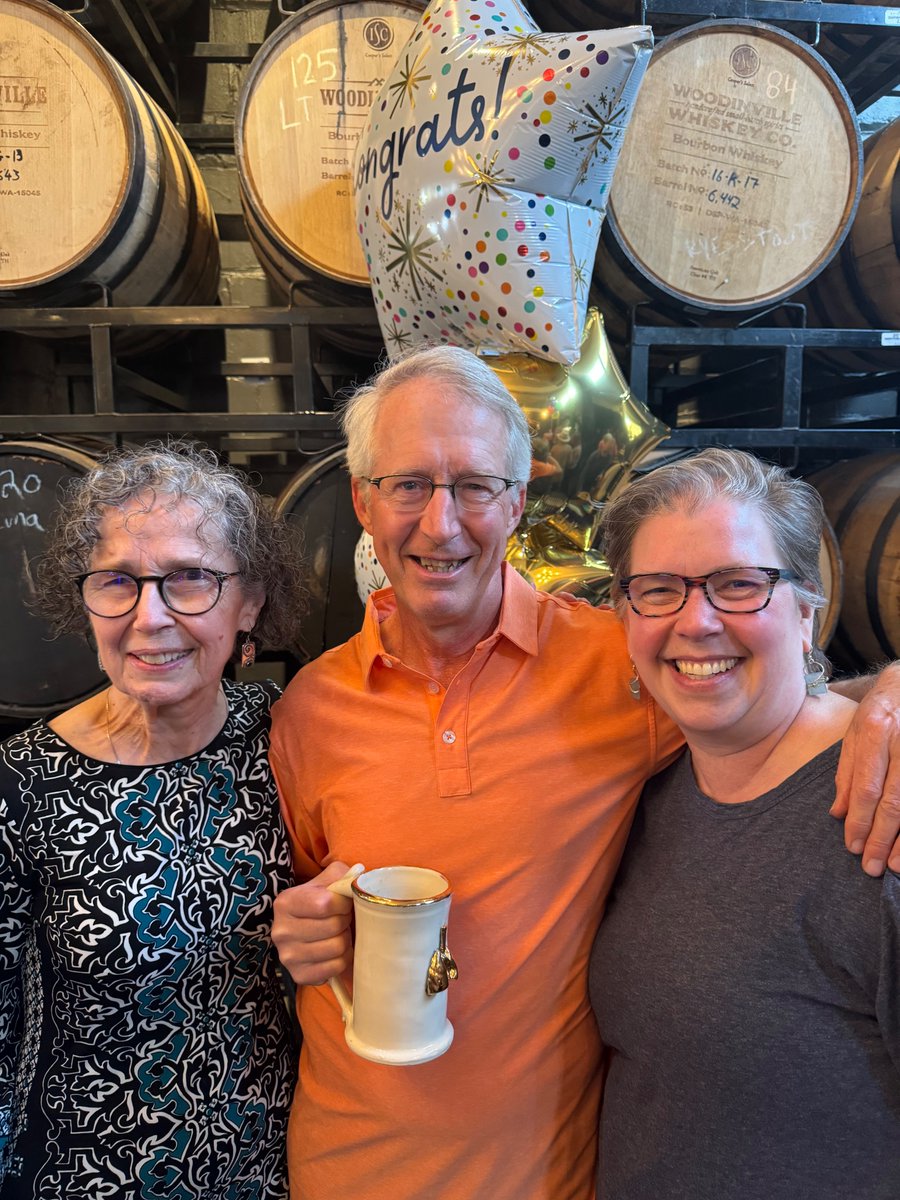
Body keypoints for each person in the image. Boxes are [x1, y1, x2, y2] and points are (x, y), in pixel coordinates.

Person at [269, 346, 900, 1200]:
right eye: (408, 484)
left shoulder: (626, 663)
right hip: (345, 1171)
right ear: (364, 503)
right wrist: (306, 931)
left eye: (476, 486)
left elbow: (764, 697)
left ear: (518, 503)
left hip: (548, 1179)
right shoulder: (310, 710)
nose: (441, 523)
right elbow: (317, 894)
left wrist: (886, 698)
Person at [590, 448, 900, 1198]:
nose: (696, 622)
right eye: (658, 590)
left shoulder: (882, 818)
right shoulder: (651, 795)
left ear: (805, 609)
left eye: (738, 585)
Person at [0, 441, 306, 1200]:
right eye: (118, 582)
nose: (151, 616)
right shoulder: (20, 787)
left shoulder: (289, 737)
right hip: (86, 1178)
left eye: (190, 578)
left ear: (251, 602)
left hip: (275, 1174)